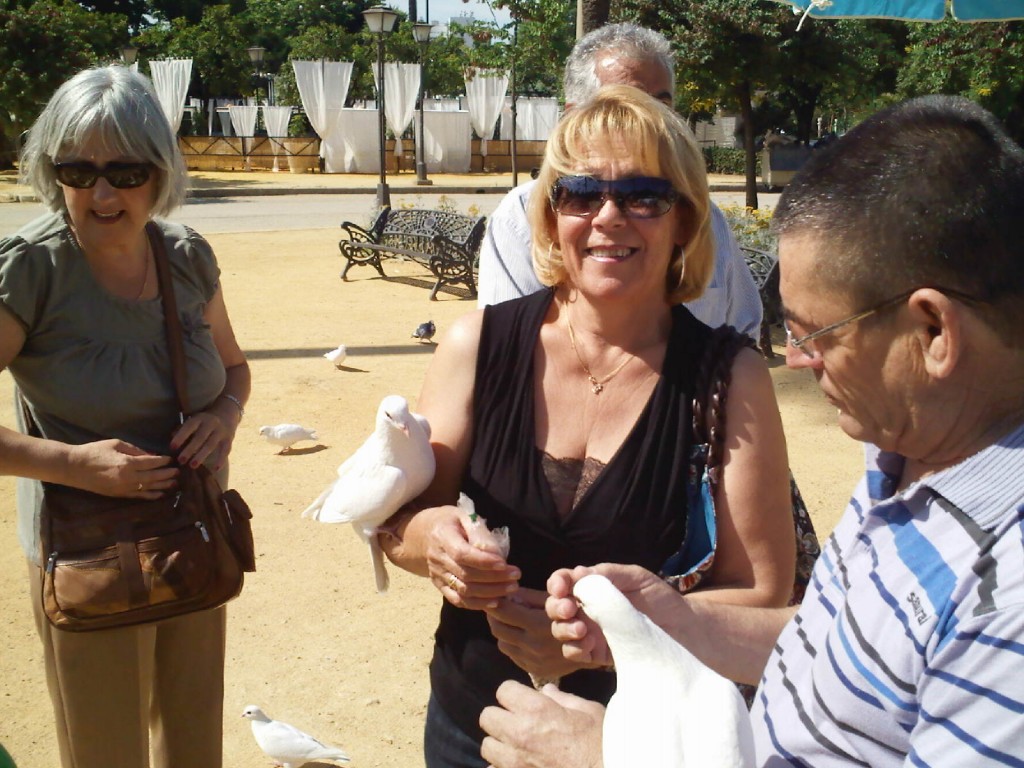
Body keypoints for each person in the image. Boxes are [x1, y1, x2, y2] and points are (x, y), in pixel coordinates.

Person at [479, 94, 1024, 767]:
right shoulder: (905, 459)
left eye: (816, 333)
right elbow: (826, 642)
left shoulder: (1006, 596)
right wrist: (668, 619)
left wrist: (613, 759)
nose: (797, 360)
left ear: (933, 331)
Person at [380, 84, 796, 768]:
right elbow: (398, 523)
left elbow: (759, 591)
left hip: (638, 741)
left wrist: (606, 635)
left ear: (685, 221)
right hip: (471, 724)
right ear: (550, 217)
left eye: (644, 196)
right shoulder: (475, 346)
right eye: (579, 193)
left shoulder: (731, 378)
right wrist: (437, 545)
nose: (608, 217)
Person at [0, 65, 250, 768]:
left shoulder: (186, 257)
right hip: (88, 555)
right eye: (78, 171)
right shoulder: (32, 270)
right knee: (105, 748)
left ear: (160, 170)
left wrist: (225, 415)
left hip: (189, 536)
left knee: (193, 739)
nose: (103, 193)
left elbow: (234, 369)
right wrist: (73, 464)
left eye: (126, 172)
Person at [477, 23, 763, 344]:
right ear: (574, 116)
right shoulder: (521, 216)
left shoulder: (702, 216)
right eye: (623, 104)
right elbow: (508, 344)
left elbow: (743, 328)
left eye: (662, 106)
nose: (648, 120)